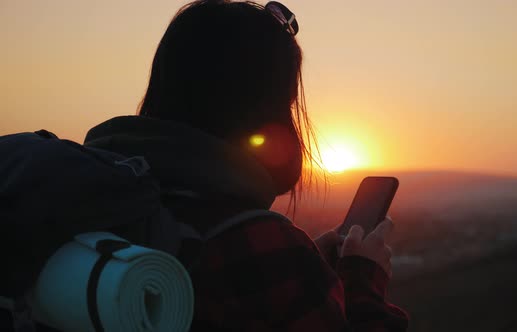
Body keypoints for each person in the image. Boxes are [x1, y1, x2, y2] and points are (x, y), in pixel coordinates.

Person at [83, 0, 409, 330]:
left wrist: (313, 265)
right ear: (266, 111)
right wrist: (361, 283)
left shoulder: (98, 200)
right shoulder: (263, 245)